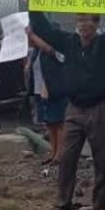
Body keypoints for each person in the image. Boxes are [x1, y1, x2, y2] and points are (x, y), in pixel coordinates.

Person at [28, 0, 105, 210]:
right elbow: (43, 29)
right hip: (74, 109)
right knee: (66, 158)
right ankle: (63, 205)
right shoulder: (69, 42)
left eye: (88, 21)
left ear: (96, 23)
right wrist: (33, 2)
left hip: (98, 107)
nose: (83, 25)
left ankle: (100, 206)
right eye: (79, 20)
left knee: (102, 160)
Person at [27, 28, 68, 167]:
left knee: (59, 123)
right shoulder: (36, 52)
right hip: (41, 91)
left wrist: (32, 34)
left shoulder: (57, 50)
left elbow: (49, 50)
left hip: (56, 90)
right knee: (50, 123)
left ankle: (60, 154)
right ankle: (53, 151)